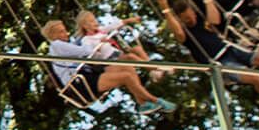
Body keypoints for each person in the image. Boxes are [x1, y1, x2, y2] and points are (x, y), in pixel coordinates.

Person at [153, 0, 259, 116]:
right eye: (187, 18)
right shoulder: (185, 34)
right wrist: (166, 10)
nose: (192, 18)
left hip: (230, 48)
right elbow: (177, 32)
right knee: (255, 78)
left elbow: (215, 19)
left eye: (192, 14)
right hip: (220, 62)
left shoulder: (201, 19)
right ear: (180, 19)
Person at [42, 18, 173, 113]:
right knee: (126, 76)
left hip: (89, 74)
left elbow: (80, 45)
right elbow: (85, 51)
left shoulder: (66, 45)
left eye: (65, 31)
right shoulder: (56, 45)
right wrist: (93, 41)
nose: (66, 34)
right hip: (81, 83)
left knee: (127, 64)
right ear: (53, 35)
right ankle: (156, 100)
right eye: (61, 32)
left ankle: (142, 102)